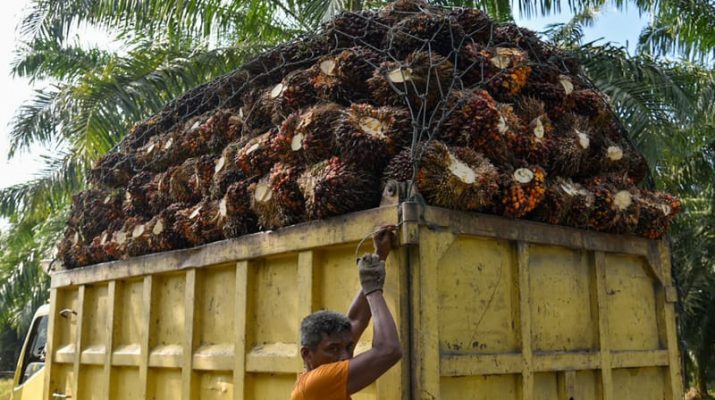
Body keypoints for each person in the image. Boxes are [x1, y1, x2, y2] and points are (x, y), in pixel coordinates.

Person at [291, 226, 402, 400]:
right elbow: (389, 349)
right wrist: (373, 289)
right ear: (306, 355)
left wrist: (379, 256)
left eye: (349, 347)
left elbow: (356, 320)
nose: (345, 357)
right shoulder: (317, 383)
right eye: (333, 349)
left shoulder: (319, 383)